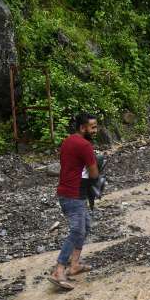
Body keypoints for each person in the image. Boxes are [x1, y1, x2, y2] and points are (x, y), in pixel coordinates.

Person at [49, 113, 100, 290]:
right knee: (77, 230)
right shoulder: (85, 145)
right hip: (74, 194)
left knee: (85, 225)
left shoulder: (68, 141)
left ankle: (75, 264)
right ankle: (59, 270)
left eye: (95, 126)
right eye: (92, 127)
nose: (95, 130)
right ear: (82, 128)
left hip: (65, 191)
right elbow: (94, 173)